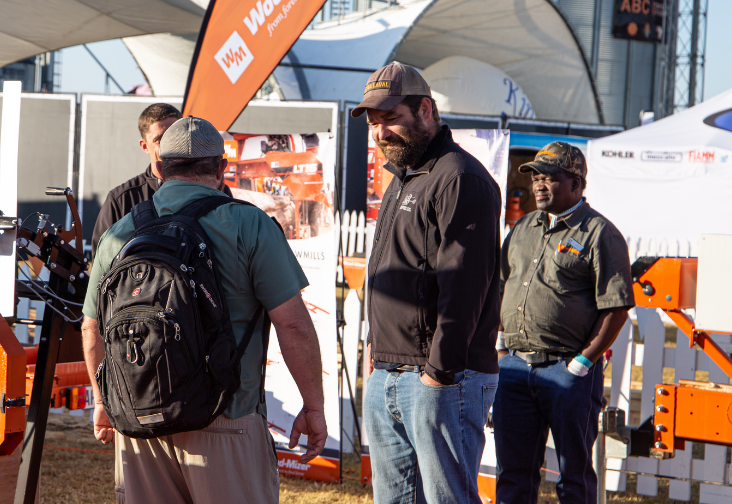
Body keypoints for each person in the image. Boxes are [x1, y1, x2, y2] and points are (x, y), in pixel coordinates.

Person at [81, 116, 327, 504]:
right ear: (221, 167)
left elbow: (92, 328)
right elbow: (293, 324)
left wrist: (103, 401)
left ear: (160, 166)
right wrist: (313, 406)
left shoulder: (122, 231)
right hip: (227, 416)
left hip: (140, 422)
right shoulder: (251, 225)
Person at [354, 63, 502, 503]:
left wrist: (439, 373)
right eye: (375, 124)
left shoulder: (459, 177)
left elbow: (466, 286)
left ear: (425, 110)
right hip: (391, 371)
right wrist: (375, 352)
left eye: (391, 119)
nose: (381, 133)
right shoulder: (403, 178)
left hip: (442, 377)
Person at [493, 142, 634, 504]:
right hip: (514, 368)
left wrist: (582, 362)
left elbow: (616, 307)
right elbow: (500, 285)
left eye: (549, 178)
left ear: (575, 182)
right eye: (536, 177)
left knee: (573, 477)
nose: (538, 185)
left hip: (567, 371)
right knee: (513, 474)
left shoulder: (600, 233)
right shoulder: (522, 228)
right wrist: (501, 346)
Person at [91, 104, 233, 253]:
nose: (171, 144)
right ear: (145, 146)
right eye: (161, 139)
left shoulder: (218, 190)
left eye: (175, 136)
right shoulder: (121, 198)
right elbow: (102, 259)